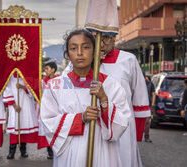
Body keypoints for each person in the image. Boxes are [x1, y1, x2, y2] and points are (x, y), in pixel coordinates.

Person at [40, 29, 131, 167]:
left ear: (95, 52)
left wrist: (104, 100)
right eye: (73, 48)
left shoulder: (111, 85)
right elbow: (48, 121)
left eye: (86, 47)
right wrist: (80, 118)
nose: (79, 53)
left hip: (104, 151)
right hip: (70, 152)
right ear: (68, 55)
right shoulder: (55, 86)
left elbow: (122, 123)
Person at [63, 31, 150, 167]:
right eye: (96, 38)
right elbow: (64, 92)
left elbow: (140, 97)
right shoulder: (77, 62)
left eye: (106, 38)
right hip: (87, 126)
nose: (101, 44)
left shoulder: (128, 60)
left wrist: (138, 131)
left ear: (114, 38)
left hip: (120, 126)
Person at [3, 72, 39, 159]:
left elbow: (33, 90)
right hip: (15, 106)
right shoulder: (10, 77)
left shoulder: (27, 76)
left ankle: (23, 150)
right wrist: (14, 105)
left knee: (23, 127)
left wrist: (23, 87)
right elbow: (7, 91)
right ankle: (12, 151)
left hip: (26, 105)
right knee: (15, 127)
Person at [39, 61, 59, 159]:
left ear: (53, 70)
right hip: (47, 108)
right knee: (47, 128)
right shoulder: (43, 81)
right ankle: (49, 151)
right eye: (45, 69)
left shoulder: (59, 80)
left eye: (47, 69)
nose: (45, 71)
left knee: (56, 129)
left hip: (57, 109)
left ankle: (56, 149)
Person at [144, 75, 156, 142]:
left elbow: (154, 94)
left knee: (147, 121)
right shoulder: (150, 83)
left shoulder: (150, 84)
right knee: (146, 122)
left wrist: (152, 105)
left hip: (147, 105)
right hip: (141, 104)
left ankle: (146, 136)